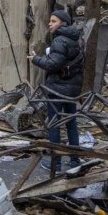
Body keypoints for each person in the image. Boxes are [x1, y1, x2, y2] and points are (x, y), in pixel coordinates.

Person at [28, 9, 84, 171]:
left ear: (63, 24)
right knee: (71, 124)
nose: (49, 24)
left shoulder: (59, 41)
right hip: (72, 89)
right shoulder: (76, 40)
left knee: (54, 124)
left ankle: (56, 163)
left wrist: (36, 59)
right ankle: (75, 161)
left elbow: (53, 64)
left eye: (54, 21)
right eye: (50, 21)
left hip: (57, 89)